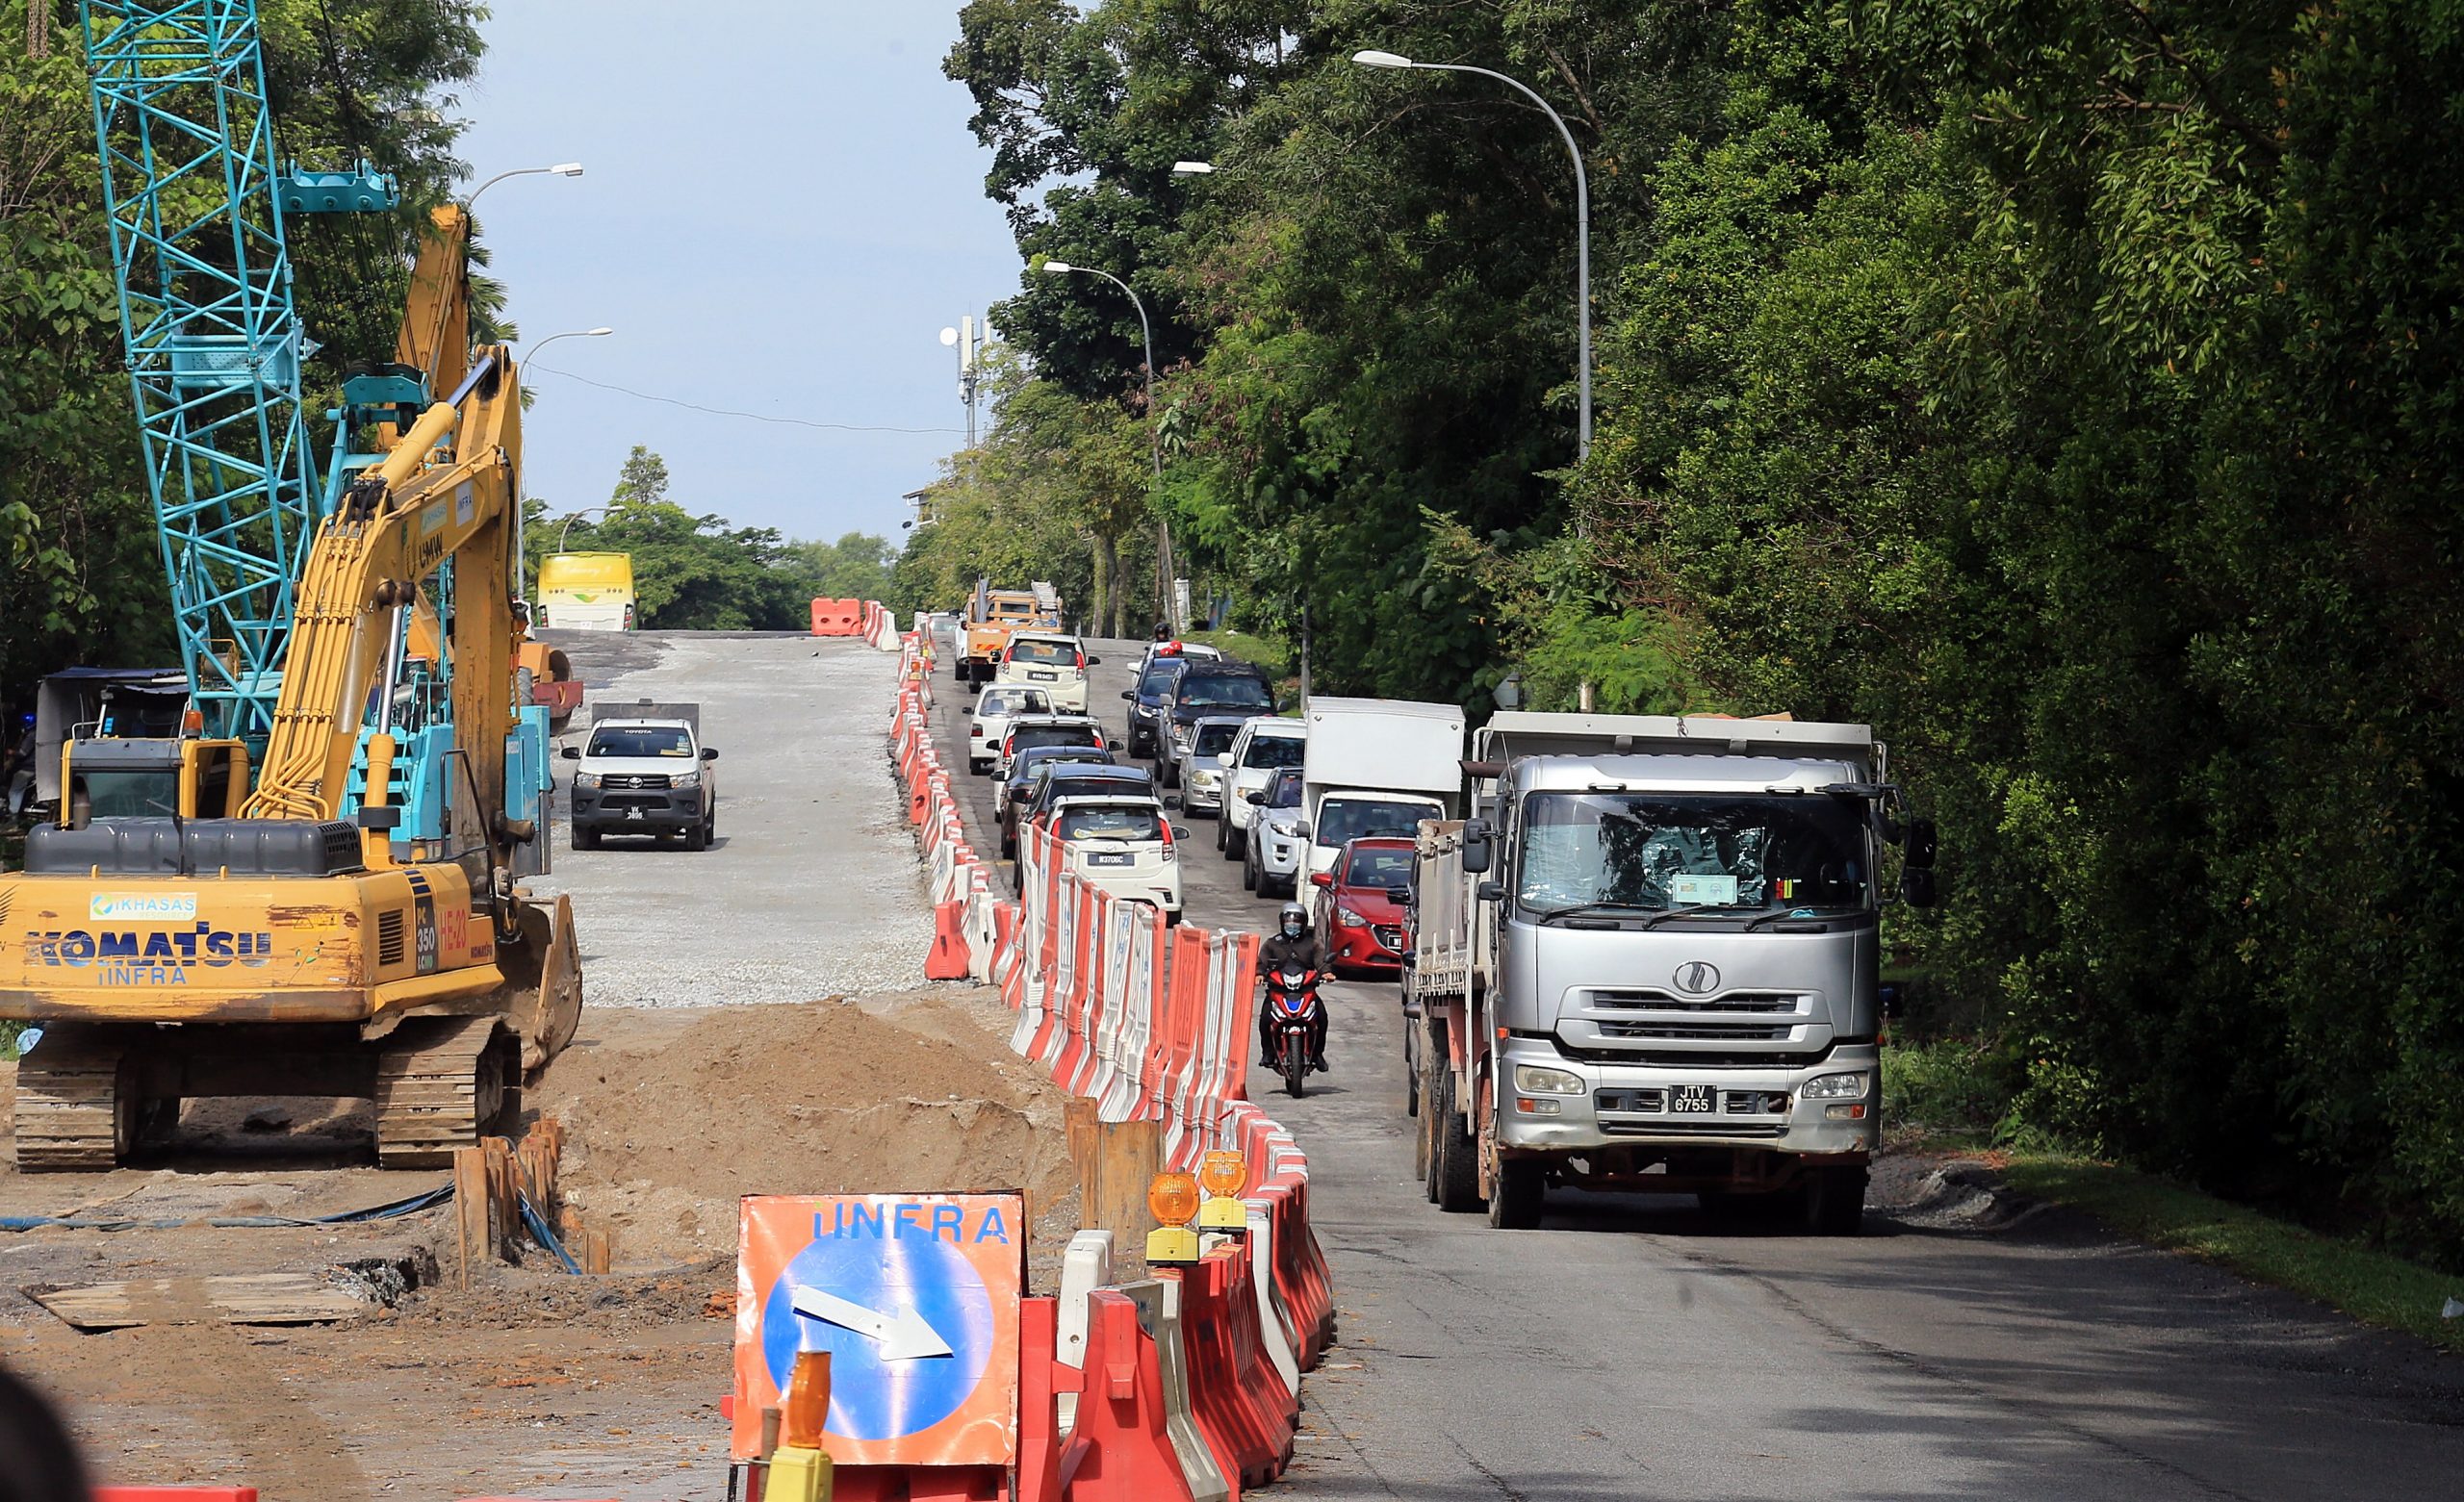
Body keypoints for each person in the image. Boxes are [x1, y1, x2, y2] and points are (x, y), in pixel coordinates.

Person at [1256, 901, 1328, 1073]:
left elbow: (1321, 961)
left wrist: (1326, 972)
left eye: (1296, 921)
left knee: (1322, 1016)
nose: (1292, 925)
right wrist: (1259, 974)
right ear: (1282, 922)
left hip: (1305, 990)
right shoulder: (1272, 944)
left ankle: (1318, 1054)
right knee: (1265, 1017)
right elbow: (1262, 961)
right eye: (1288, 921)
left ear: (1303, 923)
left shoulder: (1312, 944)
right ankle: (1267, 1053)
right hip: (1278, 990)